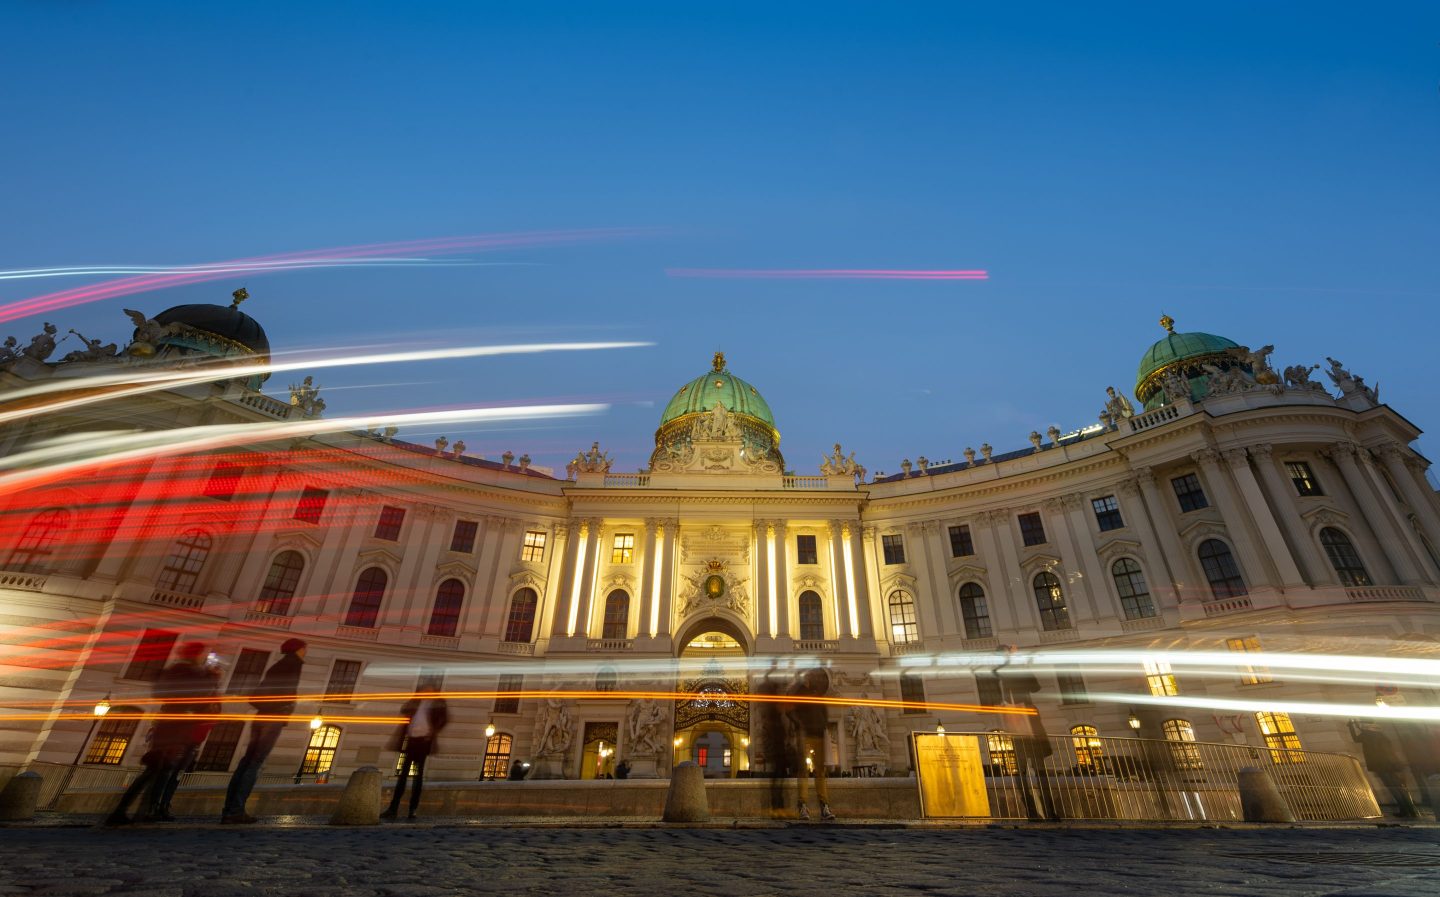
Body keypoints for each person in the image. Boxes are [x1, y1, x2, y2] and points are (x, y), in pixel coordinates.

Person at [106, 642, 220, 825]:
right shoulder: (192, 673)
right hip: (178, 725)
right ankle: (139, 811)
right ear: (196, 655)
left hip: (167, 722)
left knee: (157, 769)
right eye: (202, 654)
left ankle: (130, 810)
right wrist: (212, 678)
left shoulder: (175, 670)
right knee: (161, 769)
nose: (203, 657)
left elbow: (163, 693)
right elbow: (200, 696)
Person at [221, 638, 306, 824]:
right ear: (298, 649)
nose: (305, 652)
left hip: (261, 715)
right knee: (255, 764)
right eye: (304, 649)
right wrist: (286, 710)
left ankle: (229, 809)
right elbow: (288, 691)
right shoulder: (294, 665)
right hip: (273, 717)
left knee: (245, 763)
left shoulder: (277, 665)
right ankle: (236, 810)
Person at [993, 646, 1060, 821]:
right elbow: (1035, 686)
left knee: (1025, 769)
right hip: (1025, 721)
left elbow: (1035, 686)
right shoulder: (1005, 671)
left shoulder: (1002, 671)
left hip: (1020, 722)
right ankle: (1046, 811)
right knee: (1034, 769)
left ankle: (1034, 811)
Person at [382, 683, 450, 820]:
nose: (426, 691)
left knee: (417, 777)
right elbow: (404, 709)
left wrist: (433, 731)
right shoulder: (416, 702)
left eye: (428, 689)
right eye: (424, 689)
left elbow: (444, 719)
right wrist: (414, 699)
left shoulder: (437, 703)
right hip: (411, 741)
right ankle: (393, 808)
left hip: (423, 742)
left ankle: (412, 809)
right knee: (403, 776)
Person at [784, 667, 835, 821]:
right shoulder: (798, 692)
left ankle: (824, 806)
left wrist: (823, 724)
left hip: (818, 734)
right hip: (804, 735)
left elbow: (823, 710)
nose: (814, 679)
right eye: (811, 677)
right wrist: (800, 724)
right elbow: (789, 710)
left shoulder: (816, 693)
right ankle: (803, 806)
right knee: (804, 772)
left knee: (820, 771)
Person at [1350, 720, 1418, 818]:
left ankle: (1403, 809)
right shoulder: (1381, 735)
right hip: (1390, 764)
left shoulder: (1366, 735)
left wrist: (1351, 727)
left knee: (1392, 787)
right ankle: (1412, 811)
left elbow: (1356, 738)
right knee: (1399, 787)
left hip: (1380, 765)